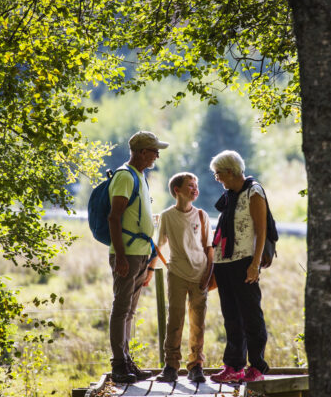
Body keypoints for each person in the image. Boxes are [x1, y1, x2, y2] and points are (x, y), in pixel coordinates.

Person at [107, 131, 168, 383]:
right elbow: (114, 217)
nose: (157, 155)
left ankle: (126, 360)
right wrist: (120, 256)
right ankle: (119, 365)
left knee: (129, 311)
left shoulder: (140, 176)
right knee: (121, 309)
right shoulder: (124, 176)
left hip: (140, 253)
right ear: (142, 152)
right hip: (128, 254)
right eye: (154, 151)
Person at [208, 150, 271, 384]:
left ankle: (257, 367)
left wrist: (255, 264)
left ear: (229, 171)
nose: (217, 178)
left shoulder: (254, 191)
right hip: (224, 262)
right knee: (231, 317)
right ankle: (233, 366)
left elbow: (261, 230)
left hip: (244, 262)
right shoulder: (230, 194)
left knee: (251, 316)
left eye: (217, 174)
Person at [152, 172, 213, 384]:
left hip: (200, 274)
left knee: (198, 322)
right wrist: (153, 269)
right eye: (190, 185)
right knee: (175, 320)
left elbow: (209, 248)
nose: (195, 189)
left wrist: (208, 274)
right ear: (177, 190)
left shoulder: (202, 215)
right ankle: (171, 366)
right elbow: (157, 244)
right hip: (176, 274)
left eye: (196, 185)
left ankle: (196, 366)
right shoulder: (167, 216)